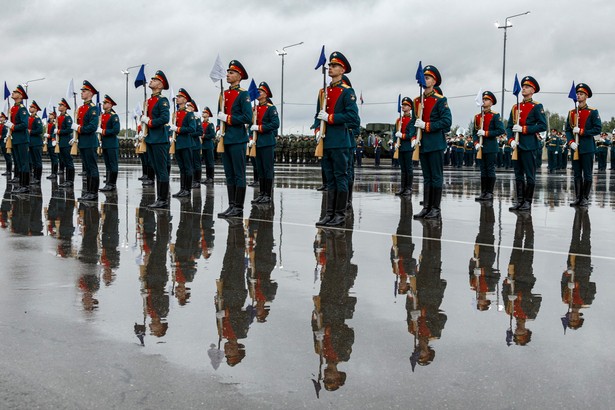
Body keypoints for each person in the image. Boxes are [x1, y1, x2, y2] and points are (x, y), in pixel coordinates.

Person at [313, 51, 359, 227]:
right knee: (330, 179)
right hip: (326, 141)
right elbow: (318, 115)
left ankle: (339, 215)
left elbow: (353, 117)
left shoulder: (347, 92)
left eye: (334, 66)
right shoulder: (324, 92)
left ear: (342, 70)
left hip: (340, 141)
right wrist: (318, 128)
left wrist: (330, 118)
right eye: (330, 66)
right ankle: (329, 214)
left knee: (340, 177)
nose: (330, 68)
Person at [409, 65, 452, 219]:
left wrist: (427, 126)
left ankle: (435, 208)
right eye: (423, 77)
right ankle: (426, 207)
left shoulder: (440, 100)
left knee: (436, 176)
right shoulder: (417, 101)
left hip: (435, 143)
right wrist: (413, 137)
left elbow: (447, 122)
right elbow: (413, 122)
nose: (424, 80)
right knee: (426, 176)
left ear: (434, 81)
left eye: (427, 78)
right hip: (423, 145)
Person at [216, 61, 252, 218]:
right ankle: (231, 205)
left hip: (237, 139)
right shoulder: (223, 94)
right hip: (226, 138)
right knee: (229, 174)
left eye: (231, 72)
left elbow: (247, 117)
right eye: (228, 72)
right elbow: (219, 115)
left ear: (239, 76)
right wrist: (218, 128)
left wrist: (228, 118)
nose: (228, 75)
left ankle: (238, 207)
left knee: (239, 174)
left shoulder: (243, 94)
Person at [506, 76, 547, 212]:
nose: (523, 88)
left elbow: (542, 125)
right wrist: (510, 140)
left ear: (533, 90)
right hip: (516, 145)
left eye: (527, 86)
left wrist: (524, 129)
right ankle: (520, 201)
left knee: (529, 175)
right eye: (523, 86)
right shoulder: (515, 107)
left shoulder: (536, 106)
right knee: (518, 174)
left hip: (529, 145)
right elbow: (509, 126)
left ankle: (528, 202)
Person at [565, 83, 602, 207]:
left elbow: (597, 129)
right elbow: (567, 130)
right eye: (578, 94)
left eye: (581, 94)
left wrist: (582, 132)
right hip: (575, 148)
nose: (578, 96)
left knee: (587, 174)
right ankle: (578, 197)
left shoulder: (592, 111)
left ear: (586, 96)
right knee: (576, 174)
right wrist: (571, 142)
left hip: (587, 148)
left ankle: (585, 198)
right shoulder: (571, 112)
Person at [141, 70, 171, 208]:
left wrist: (150, 122)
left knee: (161, 170)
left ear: (160, 85)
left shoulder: (162, 101)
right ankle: (159, 198)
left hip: (159, 139)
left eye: (154, 79)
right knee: (156, 169)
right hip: (151, 139)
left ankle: (163, 199)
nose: (151, 81)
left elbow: (165, 118)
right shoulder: (148, 101)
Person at [250, 81, 279, 205]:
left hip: (267, 142)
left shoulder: (271, 108)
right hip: (257, 143)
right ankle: (261, 194)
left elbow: (275, 124)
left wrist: (260, 128)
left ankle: (267, 194)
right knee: (260, 169)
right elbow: (251, 125)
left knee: (267, 169)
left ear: (265, 94)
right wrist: (251, 137)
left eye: (260, 91)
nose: (258, 93)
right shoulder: (255, 109)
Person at [472, 91, 505, 201]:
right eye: (483, 99)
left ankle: (489, 193)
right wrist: (476, 143)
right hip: (480, 147)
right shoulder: (477, 116)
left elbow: (501, 130)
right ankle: (483, 192)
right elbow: (474, 132)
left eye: (486, 100)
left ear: (491, 102)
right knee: (483, 169)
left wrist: (486, 133)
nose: (484, 101)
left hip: (490, 147)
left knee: (490, 169)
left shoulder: (495, 116)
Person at [72, 80, 101, 201]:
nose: (82, 93)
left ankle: (93, 193)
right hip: (83, 142)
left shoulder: (93, 109)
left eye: (84, 91)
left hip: (90, 141)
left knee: (92, 167)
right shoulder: (81, 108)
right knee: (87, 168)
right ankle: (88, 191)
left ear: (90, 93)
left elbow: (92, 127)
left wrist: (78, 128)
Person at [170, 88, 196, 198]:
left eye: (180, 97)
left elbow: (192, 128)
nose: (177, 98)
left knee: (188, 167)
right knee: (181, 167)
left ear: (185, 100)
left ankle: (187, 189)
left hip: (186, 143)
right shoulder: (176, 113)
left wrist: (178, 129)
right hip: (178, 143)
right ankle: (182, 189)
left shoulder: (189, 114)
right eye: (177, 97)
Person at [6, 85, 31, 193]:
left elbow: (25, 124)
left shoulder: (22, 109)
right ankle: (21, 184)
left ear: (20, 95)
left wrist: (13, 127)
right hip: (15, 138)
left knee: (24, 162)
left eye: (15, 92)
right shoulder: (13, 108)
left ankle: (25, 186)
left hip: (22, 139)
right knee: (18, 162)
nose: (13, 93)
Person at [393, 97, 415, 196]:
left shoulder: (412, 120)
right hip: (400, 147)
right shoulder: (399, 120)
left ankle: (409, 188)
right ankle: (402, 188)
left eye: (405, 105)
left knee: (408, 168)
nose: (403, 107)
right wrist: (395, 143)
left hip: (408, 147)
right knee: (403, 169)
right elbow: (394, 133)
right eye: (402, 105)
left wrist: (402, 135)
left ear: (410, 107)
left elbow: (411, 134)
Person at [98, 95, 121, 192]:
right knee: (107, 164)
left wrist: (103, 131)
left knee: (113, 164)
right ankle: (108, 182)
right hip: (105, 144)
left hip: (112, 144)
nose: (103, 104)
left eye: (105, 103)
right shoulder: (102, 116)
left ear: (110, 105)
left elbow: (116, 130)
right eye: (103, 103)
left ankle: (112, 184)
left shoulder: (113, 116)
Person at [56, 99, 76, 188]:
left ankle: (70, 180)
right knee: (63, 161)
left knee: (68, 162)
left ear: (65, 107)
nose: (59, 106)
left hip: (66, 142)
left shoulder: (67, 117)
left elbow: (69, 129)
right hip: (60, 142)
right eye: (59, 105)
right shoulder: (59, 117)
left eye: (61, 105)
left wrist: (59, 131)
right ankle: (66, 180)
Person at [27, 100, 44, 185]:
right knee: (33, 161)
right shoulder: (29, 118)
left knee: (37, 161)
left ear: (36, 109)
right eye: (30, 107)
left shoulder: (37, 119)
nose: (30, 108)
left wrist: (31, 132)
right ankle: (34, 176)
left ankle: (38, 178)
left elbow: (40, 130)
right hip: (30, 142)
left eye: (32, 107)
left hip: (36, 142)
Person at [187, 100, 203, 188]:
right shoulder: (188, 117)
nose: (187, 107)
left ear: (193, 108)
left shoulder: (197, 119)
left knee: (196, 163)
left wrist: (190, 133)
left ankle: (197, 181)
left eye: (189, 106)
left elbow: (200, 131)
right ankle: (193, 180)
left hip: (195, 144)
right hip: (189, 144)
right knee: (191, 163)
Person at [201, 107, 216, 184]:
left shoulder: (210, 124)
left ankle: (211, 177)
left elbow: (213, 135)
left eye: (204, 112)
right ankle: (207, 177)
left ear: (208, 114)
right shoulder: (201, 123)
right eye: (203, 112)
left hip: (208, 145)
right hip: (203, 145)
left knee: (210, 162)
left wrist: (204, 136)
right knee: (206, 162)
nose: (203, 113)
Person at [44, 110, 59, 179]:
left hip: (53, 142)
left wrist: (51, 137)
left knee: (54, 159)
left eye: (51, 114)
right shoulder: (48, 123)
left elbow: (55, 132)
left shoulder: (55, 123)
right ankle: (52, 172)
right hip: (49, 143)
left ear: (54, 116)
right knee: (52, 159)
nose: (50, 115)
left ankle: (54, 173)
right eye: (49, 114)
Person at [0, 113, 13, 178]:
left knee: (8, 157)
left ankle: (9, 171)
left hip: (6, 142)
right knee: (6, 157)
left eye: (2, 117)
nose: (0, 118)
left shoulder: (6, 126)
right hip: (2, 143)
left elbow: (6, 134)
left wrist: (1, 137)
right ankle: (7, 170)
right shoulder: (1, 125)